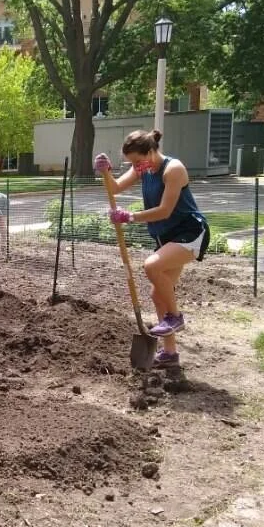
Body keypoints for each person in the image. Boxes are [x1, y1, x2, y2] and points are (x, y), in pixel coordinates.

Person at [94, 129, 210, 369]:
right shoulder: (143, 168)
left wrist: (130, 216)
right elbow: (115, 188)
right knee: (158, 295)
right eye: (132, 163)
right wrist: (105, 172)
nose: (136, 166)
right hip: (166, 237)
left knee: (152, 265)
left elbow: (165, 210)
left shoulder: (173, 169)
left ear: (150, 152)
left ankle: (175, 317)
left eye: (137, 161)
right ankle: (169, 354)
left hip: (189, 233)